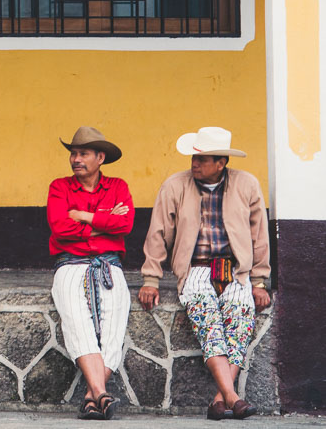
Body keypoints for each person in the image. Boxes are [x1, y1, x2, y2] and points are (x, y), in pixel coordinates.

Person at [139, 126, 272, 421]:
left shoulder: (246, 184)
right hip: (196, 269)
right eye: (193, 159)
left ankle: (219, 400)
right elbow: (158, 233)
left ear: (221, 162)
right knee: (208, 322)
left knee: (239, 323)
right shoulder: (174, 186)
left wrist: (259, 281)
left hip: (236, 270)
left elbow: (259, 235)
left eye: (202, 159)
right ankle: (233, 397)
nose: (194, 164)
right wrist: (151, 278)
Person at [46, 126, 134, 421]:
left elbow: (126, 225)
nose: (75, 159)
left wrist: (84, 217)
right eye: (73, 153)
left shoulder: (118, 186)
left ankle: (91, 396)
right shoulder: (59, 187)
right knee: (76, 320)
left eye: (83, 153)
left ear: (100, 157)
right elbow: (60, 228)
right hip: (70, 263)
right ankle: (101, 391)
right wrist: (104, 223)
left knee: (113, 325)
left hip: (109, 264)